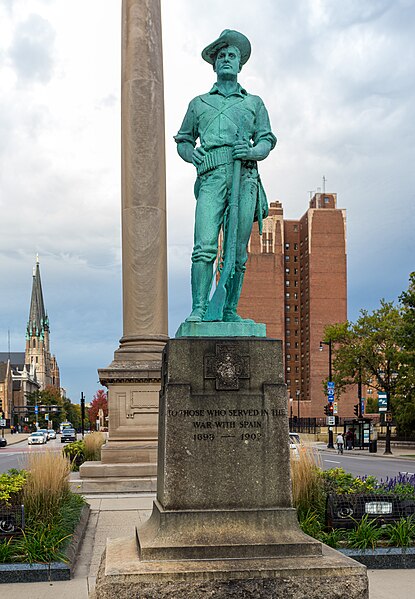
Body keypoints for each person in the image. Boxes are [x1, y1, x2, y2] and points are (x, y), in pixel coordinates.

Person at [175, 30, 277, 323]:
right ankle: (199, 308)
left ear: (240, 64)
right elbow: (183, 140)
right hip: (211, 176)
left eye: (232, 56)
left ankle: (229, 309)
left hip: (244, 177)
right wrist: (189, 153)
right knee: (204, 247)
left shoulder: (254, 103)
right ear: (215, 64)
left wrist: (254, 151)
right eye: (222, 56)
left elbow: (267, 140)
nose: (227, 60)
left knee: (237, 253)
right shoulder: (199, 103)